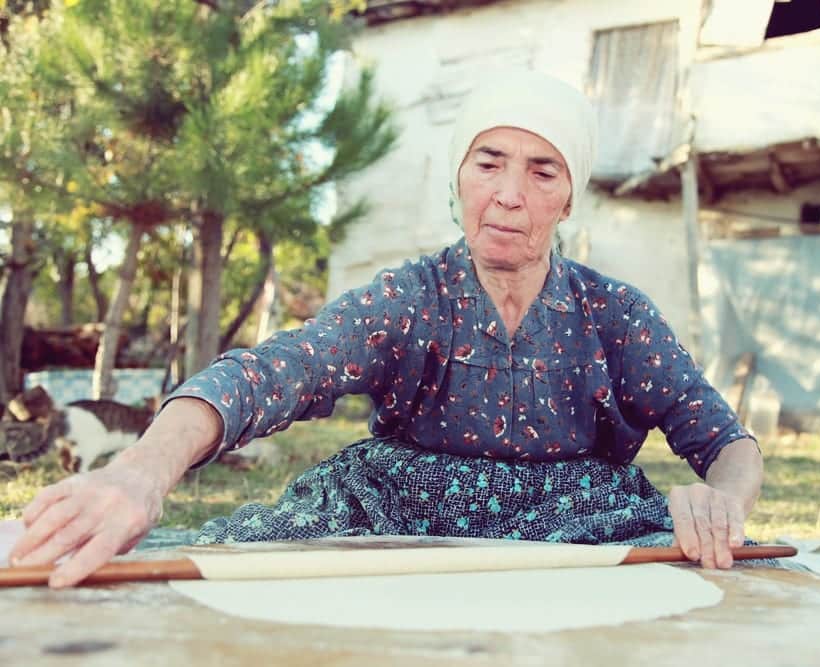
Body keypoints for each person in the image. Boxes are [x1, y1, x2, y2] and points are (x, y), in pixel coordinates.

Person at [11, 69, 763, 588]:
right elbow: (272, 373)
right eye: (488, 163)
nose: (508, 194)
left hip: (583, 520)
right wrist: (140, 472)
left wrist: (722, 501)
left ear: (570, 198)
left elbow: (725, 441)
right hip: (394, 512)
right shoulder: (410, 300)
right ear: (458, 178)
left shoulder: (616, 316)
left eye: (542, 171)